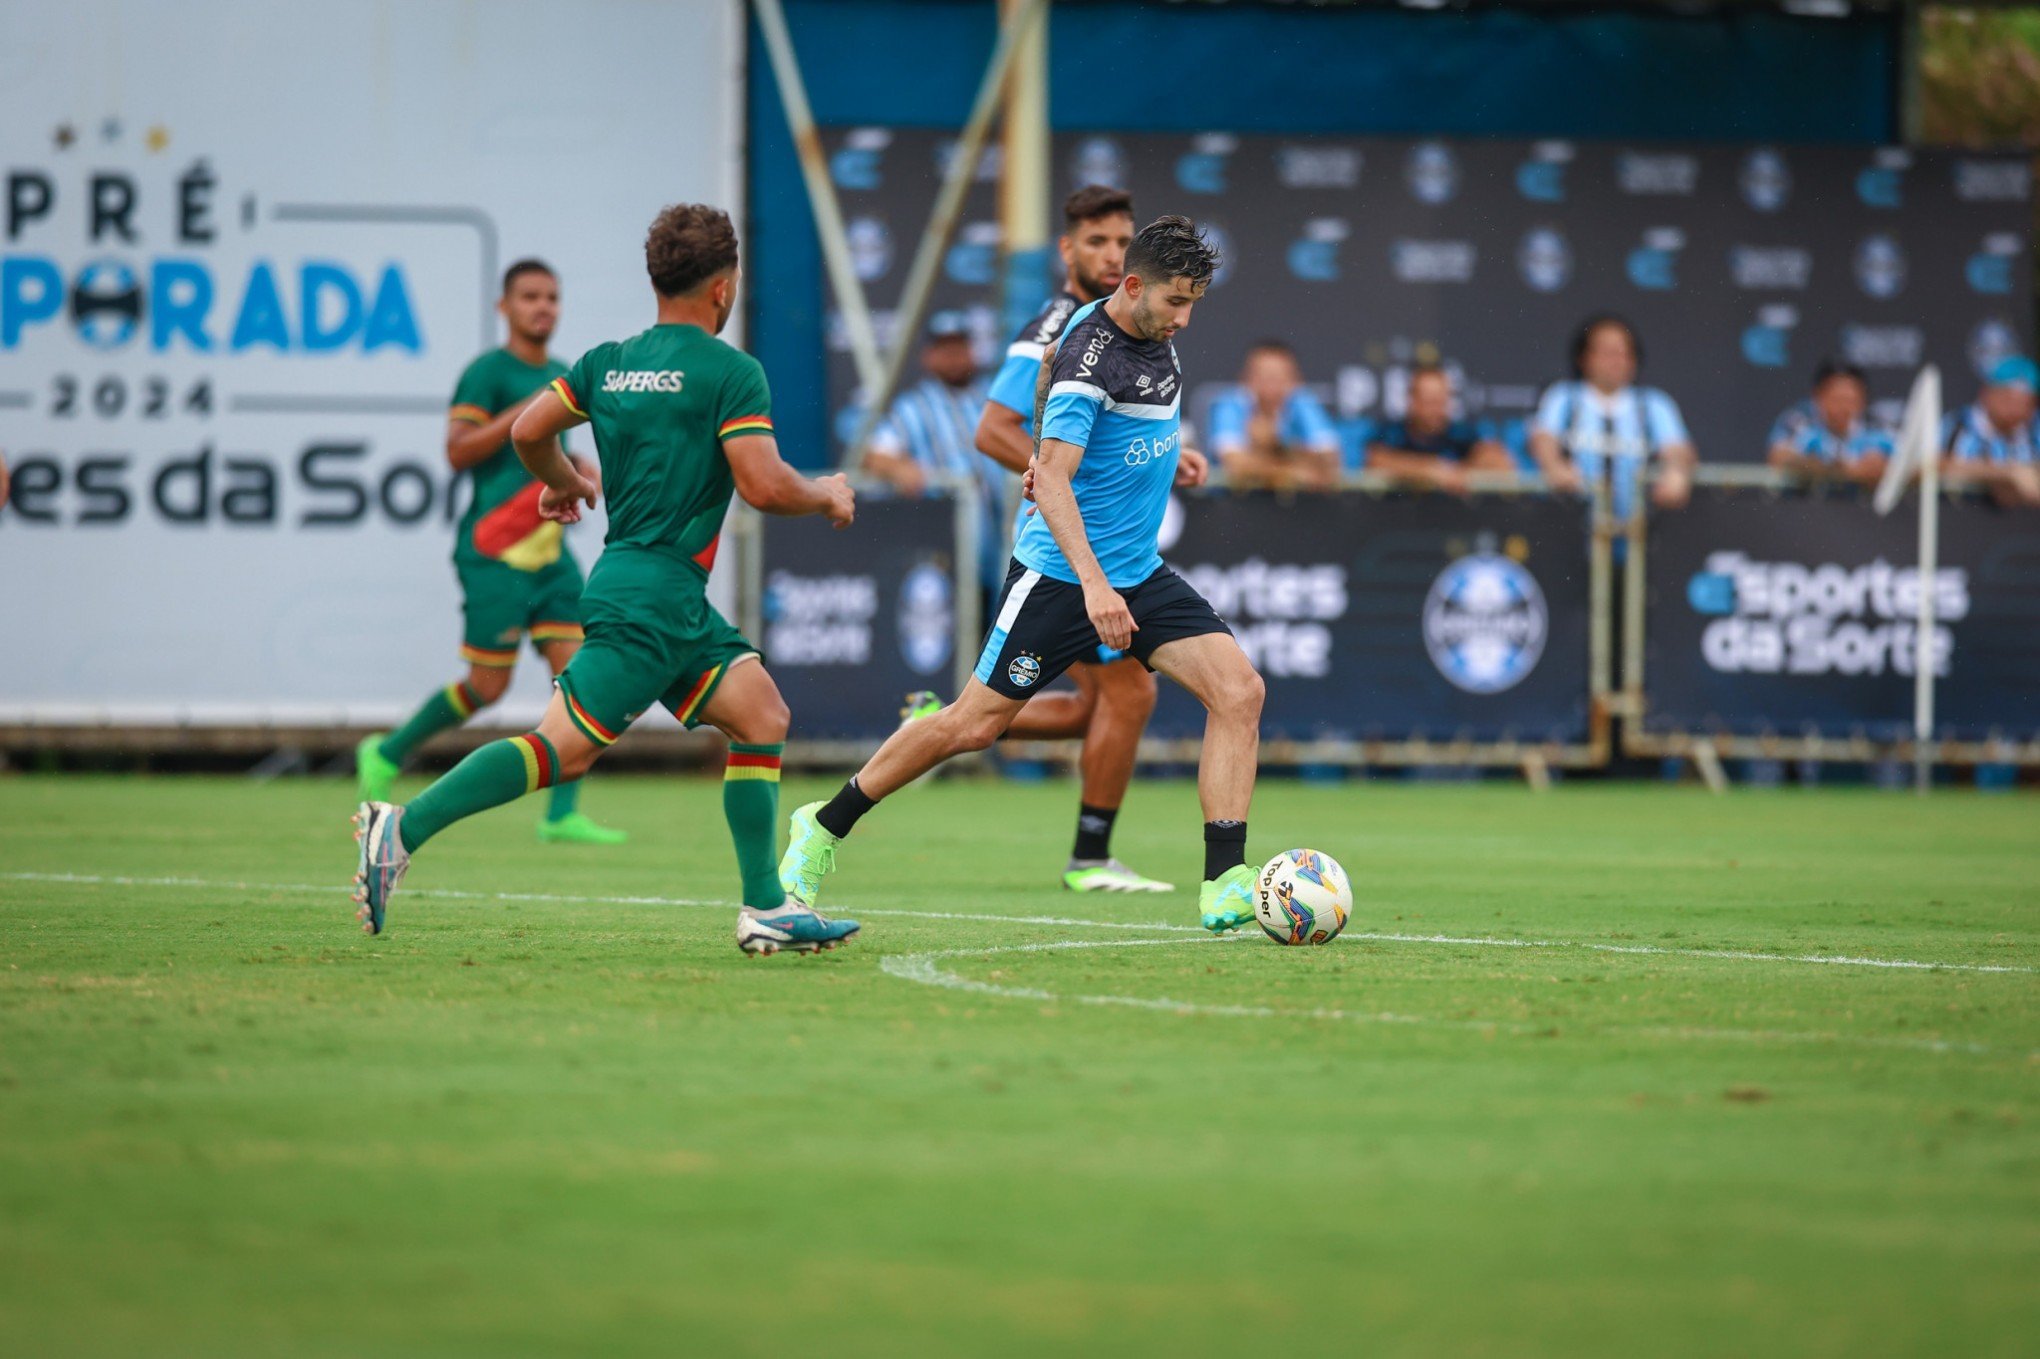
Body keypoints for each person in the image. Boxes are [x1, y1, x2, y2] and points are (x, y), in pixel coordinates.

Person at [353, 203, 861, 957]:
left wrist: (561, 481)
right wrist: (825, 492)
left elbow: (529, 431)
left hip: (655, 592)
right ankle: (402, 827)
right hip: (650, 600)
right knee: (562, 749)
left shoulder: (605, 362)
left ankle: (766, 906)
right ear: (724, 289)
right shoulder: (731, 371)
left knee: (761, 714)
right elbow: (761, 484)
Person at [780, 216, 1270, 934]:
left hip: (1138, 570)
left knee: (1239, 690)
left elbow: (1129, 436)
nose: (1185, 318)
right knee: (972, 725)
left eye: (1194, 301)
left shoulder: (1154, 334)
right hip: (1063, 576)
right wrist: (1096, 587)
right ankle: (821, 826)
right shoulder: (1087, 363)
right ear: (1133, 286)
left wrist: (1175, 455)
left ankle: (1225, 880)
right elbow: (1054, 483)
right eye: (1175, 301)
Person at [963, 184, 1197, 895]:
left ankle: (946, 720)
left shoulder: (1126, 327)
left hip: (1100, 547)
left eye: (1117, 240)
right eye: (1094, 241)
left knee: (1106, 703)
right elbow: (993, 428)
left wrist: (1163, 453)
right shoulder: (1059, 326)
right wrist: (1051, 469)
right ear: (1067, 250)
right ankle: (1089, 856)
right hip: (1064, 547)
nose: (1107, 253)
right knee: (1125, 699)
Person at [353, 260, 625, 845]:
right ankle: (387, 750)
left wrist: (579, 467)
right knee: (487, 687)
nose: (542, 307)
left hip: (551, 555)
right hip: (494, 550)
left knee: (583, 675)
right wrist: (523, 416)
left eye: (551, 297)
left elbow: (548, 456)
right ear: (504, 307)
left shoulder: (561, 371)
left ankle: (560, 815)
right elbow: (458, 452)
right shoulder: (487, 373)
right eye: (529, 296)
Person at [860, 311, 1006, 595]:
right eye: (944, 349)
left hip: (1005, 537)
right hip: (948, 549)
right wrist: (900, 468)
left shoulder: (994, 396)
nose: (953, 356)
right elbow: (875, 454)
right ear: (928, 356)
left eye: (959, 347)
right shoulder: (914, 406)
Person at [1529, 314, 1697, 515]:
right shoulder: (1564, 397)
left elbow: (1677, 448)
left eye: (1623, 352)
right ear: (1584, 357)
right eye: (1606, 352)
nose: (1615, 361)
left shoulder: (1654, 404)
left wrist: (1676, 472)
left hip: (1638, 529)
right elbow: (1544, 439)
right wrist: (1554, 466)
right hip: (1570, 525)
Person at [1207, 340, 1343, 491]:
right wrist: (1295, 470)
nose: (1271, 384)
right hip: (1230, 504)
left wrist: (1275, 446)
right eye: (1263, 376)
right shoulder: (1230, 404)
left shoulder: (1303, 402)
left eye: (1279, 376)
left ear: (1295, 380)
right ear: (1245, 378)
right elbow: (1234, 465)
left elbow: (1330, 462)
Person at [1365, 365, 1513, 493]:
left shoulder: (1461, 433)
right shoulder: (1393, 432)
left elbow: (1500, 462)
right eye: (1429, 401)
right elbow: (1376, 460)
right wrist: (1429, 471)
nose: (1437, 410)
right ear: (1413, 401)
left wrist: (1462, 472)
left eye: (1442, 401)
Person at [1764, 360, 1891, 488]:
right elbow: (1778, 457)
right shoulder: (1798, 420)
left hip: (1860, 505)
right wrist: (1840, 470)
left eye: (1850, 399)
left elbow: (1907, 462)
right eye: (1837, 399)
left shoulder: (1876, 424)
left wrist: (1884, 466)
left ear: (1862, 400)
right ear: (1818, 397)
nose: (1844, 407)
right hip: (1807, 503)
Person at [1943, 355, 2040, 507]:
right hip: (1961, 520)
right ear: (1986, 393)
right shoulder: (1956, 426)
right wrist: (2006, 474)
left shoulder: (2035, 429)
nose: (2015, 409)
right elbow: (1931, 466)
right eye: (2007, 399)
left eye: (2025, 402)